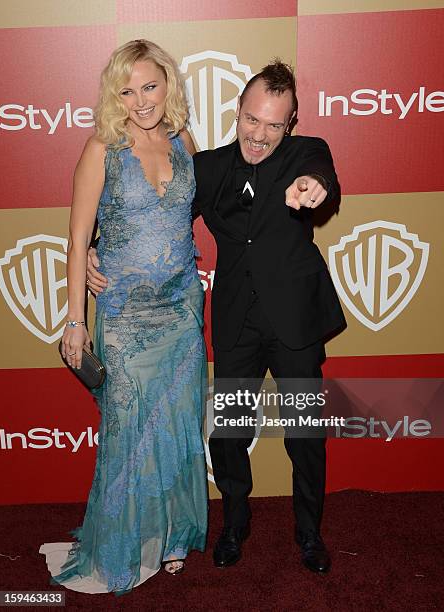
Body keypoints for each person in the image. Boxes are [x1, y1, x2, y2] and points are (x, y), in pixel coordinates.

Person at [87, 60, 345, 574]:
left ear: (290, 123)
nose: (260, 134)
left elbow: (323, 180)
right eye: (253, 120)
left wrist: (314, 187)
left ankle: (309, 533)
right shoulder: (208, 168)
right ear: (238, 112)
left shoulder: (307, 152)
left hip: (294, 319)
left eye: (274, 124)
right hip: (236, 322)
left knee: (305, 434)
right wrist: (98, 245)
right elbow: (149, 213)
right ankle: (234, 524)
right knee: (228, 433)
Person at [40, 39, 208, 594]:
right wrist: (73, 319)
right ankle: (125, 539)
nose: (141, 101)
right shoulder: (101, 150)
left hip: (182, 309)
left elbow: (192, 213)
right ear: (115, 96)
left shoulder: (184, 140)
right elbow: (75, 238)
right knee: (129, 431)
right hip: (126, 318)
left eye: (150, 86)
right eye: (127, 90)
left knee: (178, 426)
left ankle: (173, 537)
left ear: (168, 83)